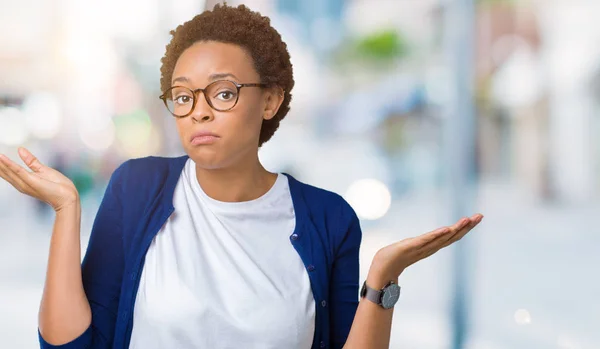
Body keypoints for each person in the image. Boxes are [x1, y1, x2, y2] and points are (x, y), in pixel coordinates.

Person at [0, 4, 483, 349]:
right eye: (184, 96)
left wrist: (384, 278)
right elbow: (68, 345)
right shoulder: (136, 188)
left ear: (269, 100)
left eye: (224, 93)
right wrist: (66, 211)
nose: (198, 113)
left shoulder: (328, 219)